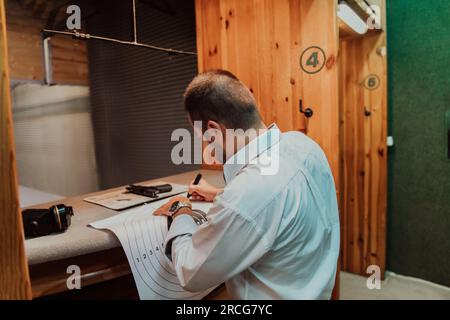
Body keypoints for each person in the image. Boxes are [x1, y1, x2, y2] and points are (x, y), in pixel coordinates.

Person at [154, 69, 340, 299]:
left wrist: (180, 210)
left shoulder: (248, 193)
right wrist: (221, 194)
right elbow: (281, 197)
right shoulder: (304, 145)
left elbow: (191, 271)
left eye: (204, 139)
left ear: (214, 131)